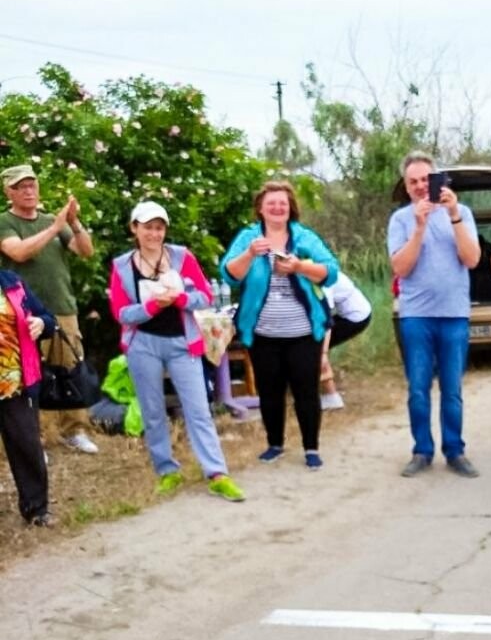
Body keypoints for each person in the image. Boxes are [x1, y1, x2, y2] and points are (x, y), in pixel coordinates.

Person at [109, 201, 245, 502]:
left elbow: (205, 296)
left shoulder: (182, 257)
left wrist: (181, 299)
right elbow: (121, 313)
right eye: (147, 227)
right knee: (152, 410)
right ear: (135, 229)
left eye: (159, 227)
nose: (154, 233)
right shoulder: (122, 265)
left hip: (183, 343)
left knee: (198, 409)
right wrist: (152, 306)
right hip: (142, 344)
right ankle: (166, 470)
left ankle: (217, 473)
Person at [222, 181, 338, 469]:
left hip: (303, 333)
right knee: (269, 391)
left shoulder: (304, 237)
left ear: (290, 209)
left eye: (282, 203)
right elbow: (229, 274)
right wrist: (249, 254)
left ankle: (311, 448)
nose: (277, 207)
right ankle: (275, 443)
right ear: (260, 208)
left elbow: (330, 272)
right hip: (263, 334)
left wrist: (299, 267)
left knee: (306, 391)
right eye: (271, 203)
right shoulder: (249, 238)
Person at [387, 153, 481, 478]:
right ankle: (421, 450)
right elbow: (400, 267)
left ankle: (455, 450)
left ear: (437, 180)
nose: (419, 186)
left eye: (425, 179)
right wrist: (419, 227)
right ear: (406, 185)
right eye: (413, 181)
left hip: (454, 314)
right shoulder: (400, 220)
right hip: (416, 316)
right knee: (418, 387)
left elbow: (471, 259)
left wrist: (453, 215)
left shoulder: (462, 212)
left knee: (452, 388)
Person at [0, 165, 99, 454]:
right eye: (21, 186)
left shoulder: (52, 220)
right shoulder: (5, 222)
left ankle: (75, 431)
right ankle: (35, 438)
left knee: (71, 368)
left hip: (62, 307)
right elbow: (18, 251)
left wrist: (74, 223)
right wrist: (55, 227)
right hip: (24, 313)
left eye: (32, 184)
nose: (29, 190)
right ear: (9, 192)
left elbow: (85, 251)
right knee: (30, 375)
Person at [0, 267, 56, 526]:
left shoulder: (11, 281)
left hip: (15, 383)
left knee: (26, 445)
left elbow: (48, 318)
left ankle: (37, 510)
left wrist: (41, 323)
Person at [319, 268, 373, 411]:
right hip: (355, 312)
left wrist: (323, 352)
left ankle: (332, 396)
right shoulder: (321, 266)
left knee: (314, 345)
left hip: (356, 317)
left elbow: (325, 322)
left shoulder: (323, 280)